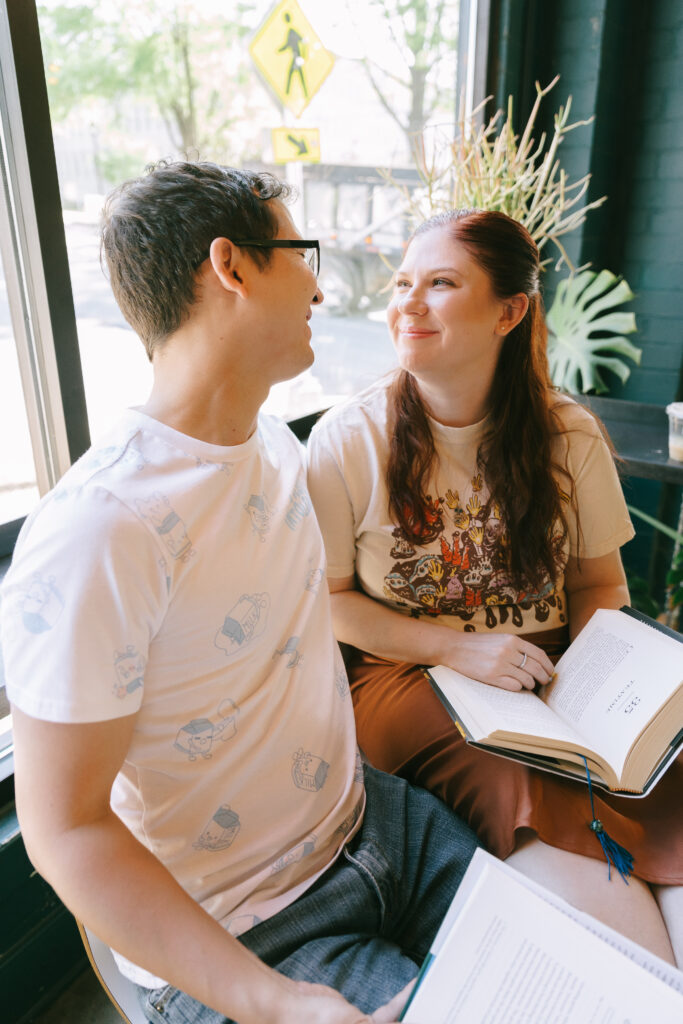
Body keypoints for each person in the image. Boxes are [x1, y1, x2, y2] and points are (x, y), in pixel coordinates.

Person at [0, 164, 480, 1024]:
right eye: (303, 255)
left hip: (379, 827)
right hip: (250, 932)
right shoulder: (98, 532)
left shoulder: (272, 443)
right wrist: (272, 1002)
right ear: (233, 268)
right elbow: (62, 830)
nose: (322, 288)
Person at [306, 208, 683, 965]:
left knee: (655, 775)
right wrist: (460, 648)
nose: (407, 303)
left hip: (551, 668)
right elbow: (331, 604)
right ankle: (631, 975)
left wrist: (596, 690)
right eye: (403, 282)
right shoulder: (349, 438)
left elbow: (597, 588)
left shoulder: (566, 433)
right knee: (516, 780)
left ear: (508, 312)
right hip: (411, 674)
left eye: (440, 283)